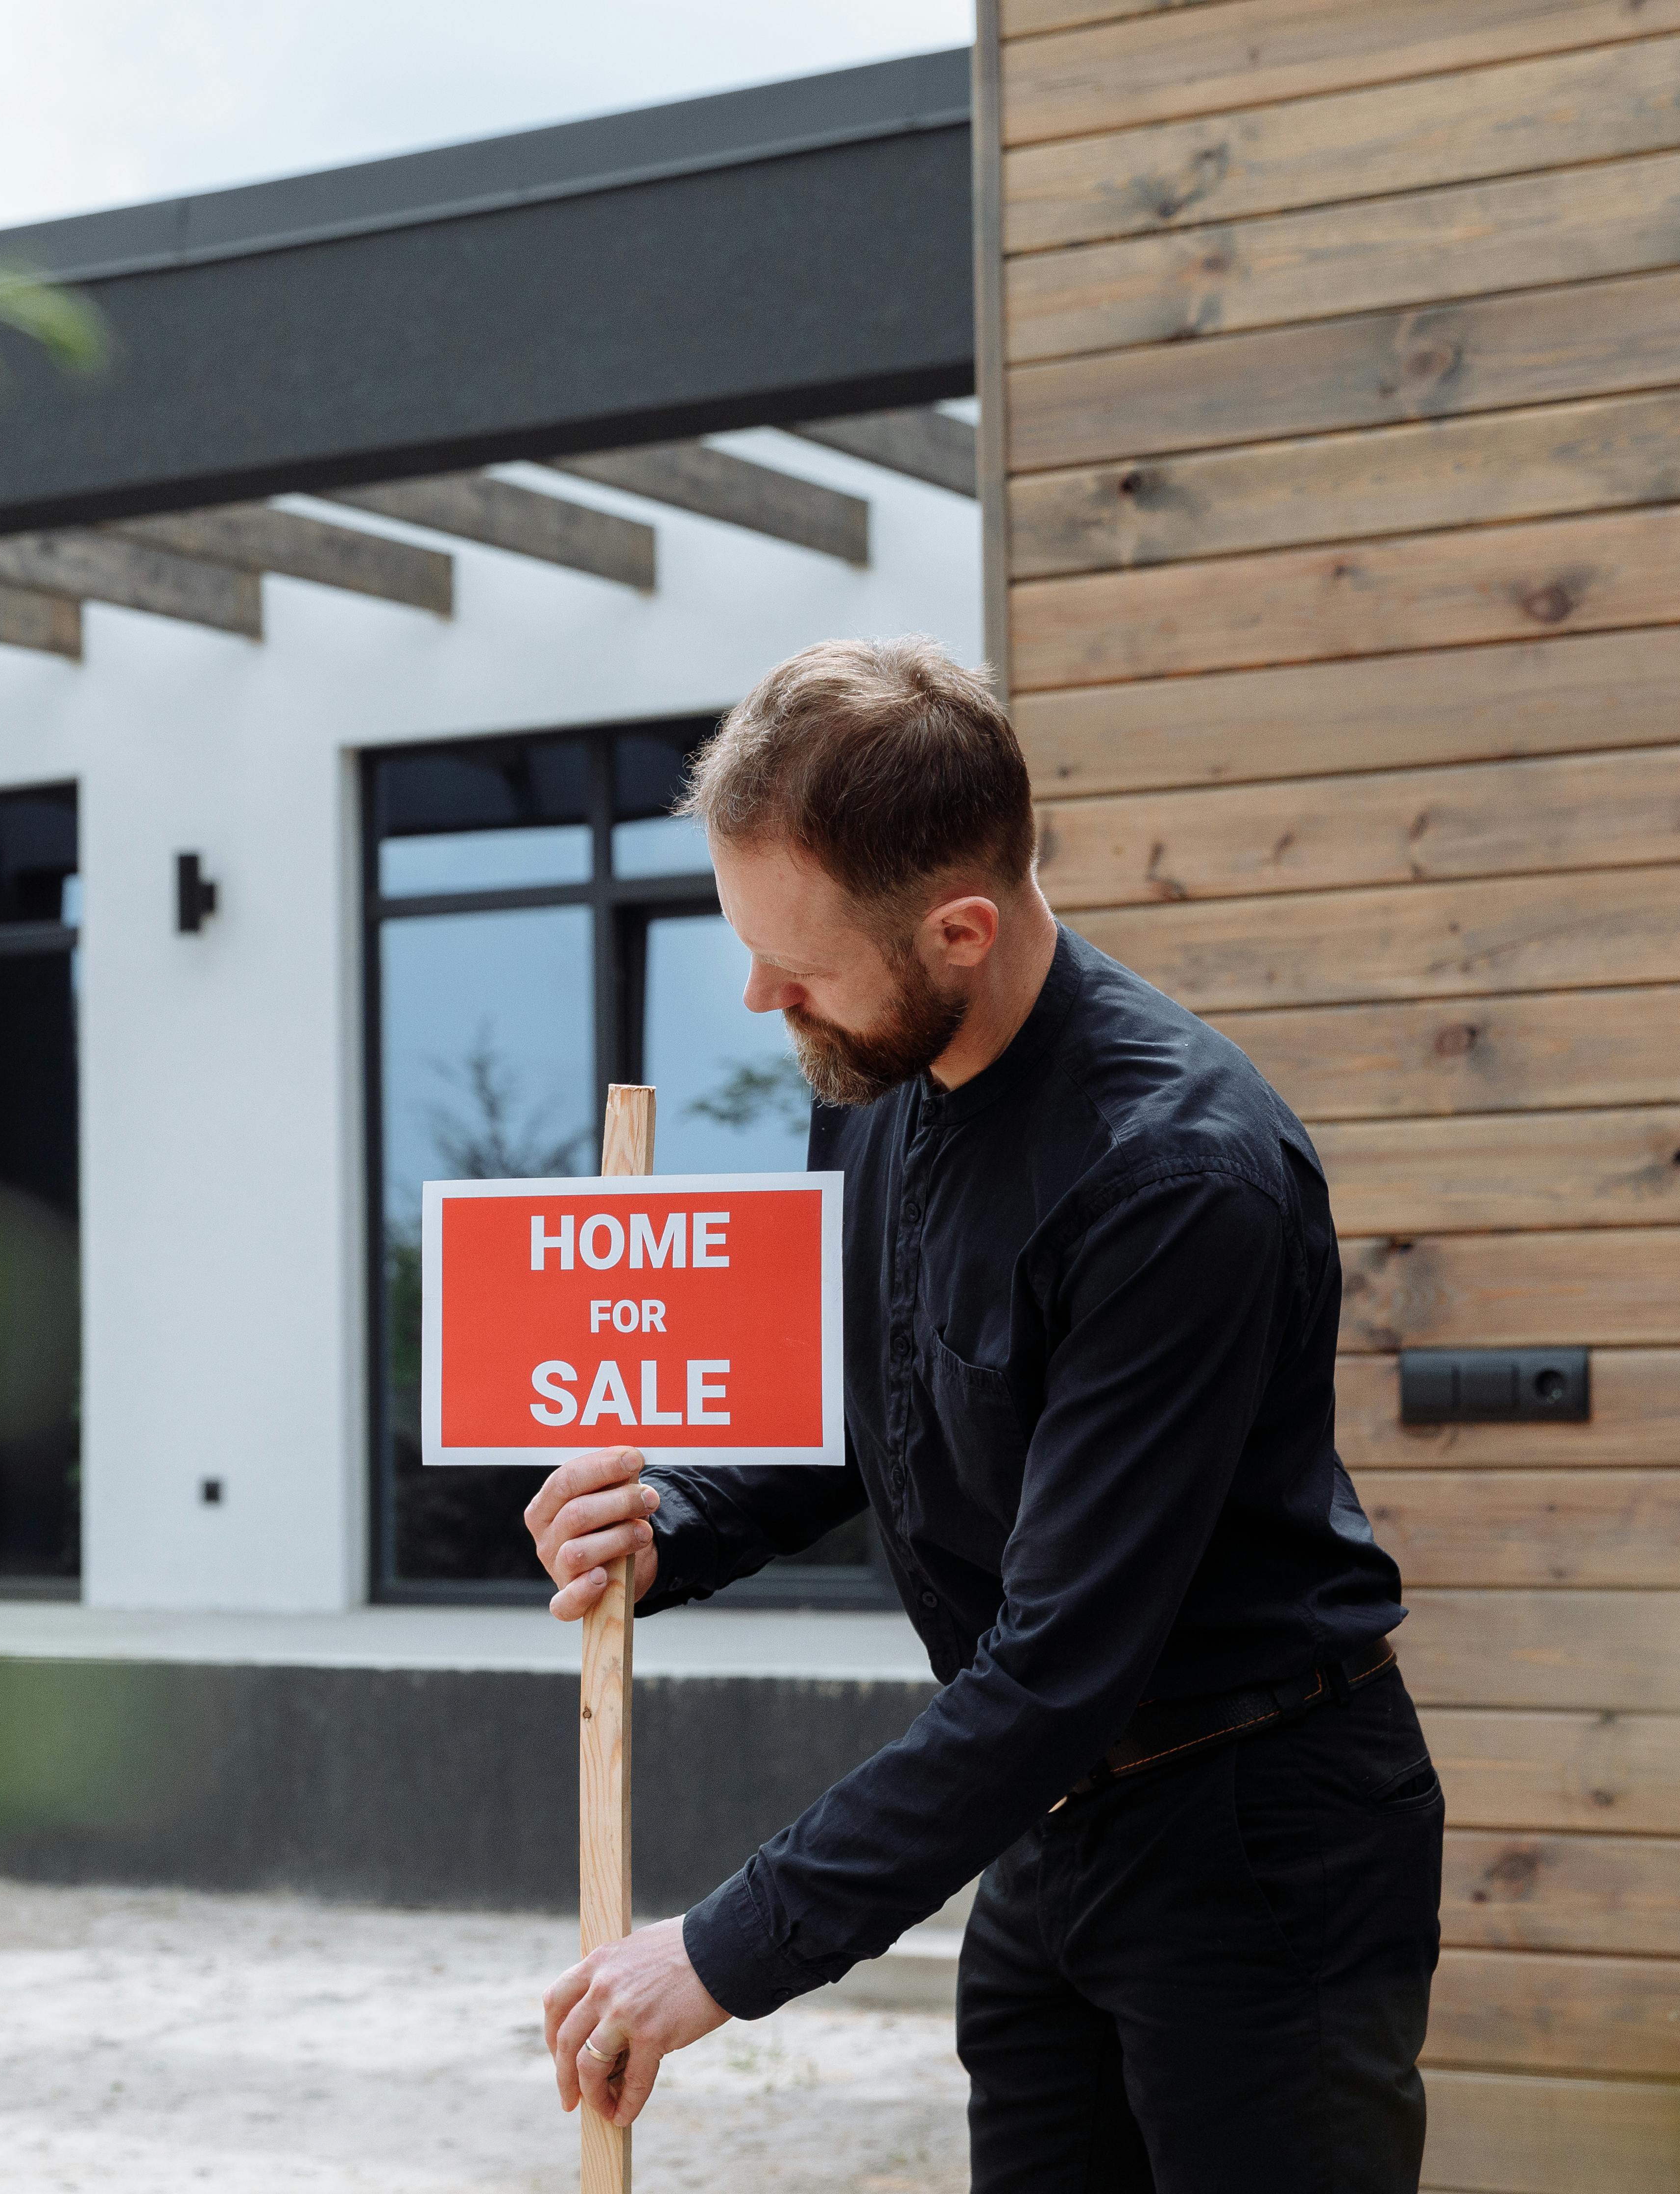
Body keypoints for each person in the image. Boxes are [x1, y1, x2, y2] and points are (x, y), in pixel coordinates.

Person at [528, 637, 1439, 2191]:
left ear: (960, 929)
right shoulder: (880, 1079)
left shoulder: (1178, 1178)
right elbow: (865, 1401)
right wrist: (669, 1523)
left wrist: (728, 1951)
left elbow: (1061, 1667)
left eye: (796, 965)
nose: (761, 998)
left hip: (1256, 1848)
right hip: (1048, 1839)